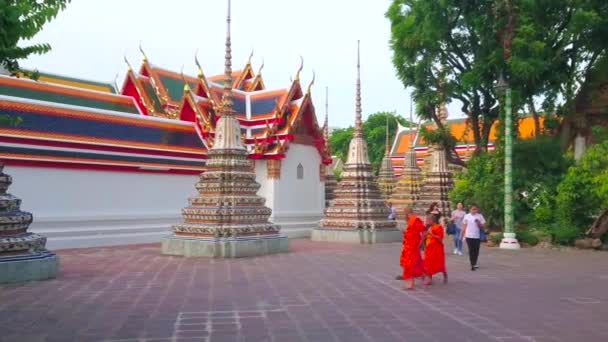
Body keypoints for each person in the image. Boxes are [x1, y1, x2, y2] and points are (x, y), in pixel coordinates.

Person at [396, 207, 426, 290]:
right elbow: (411, 232)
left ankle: (410, 283)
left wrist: (421, 242)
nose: (404, 215)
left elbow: (424, 231)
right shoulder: (410, 220)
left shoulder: (416, 219)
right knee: (416, 261)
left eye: (404, 213)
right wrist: (405, 232)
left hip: (414, 245)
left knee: (410, 263)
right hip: (408, 244)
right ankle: (424, 275)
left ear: (407, 212)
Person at [459, 203, 486, 271]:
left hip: (477, 236)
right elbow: (464, 226)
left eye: (476, 209)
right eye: (473, 209)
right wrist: (461, 235)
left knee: (476, 250)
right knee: (471, 250)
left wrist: (478, 223)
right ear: (470, 209)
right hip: (468, 236)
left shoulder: (480, 216)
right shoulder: (467, 216)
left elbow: (483, 226)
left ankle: (475, 262)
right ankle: (472, 264)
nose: (474, 210)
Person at [423, 215, 447, 285]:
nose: (426, 221)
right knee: (428, 263)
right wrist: (422, 245)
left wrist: (432, 234)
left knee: (439, 263)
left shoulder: (438, 227)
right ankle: (429, 278)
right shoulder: (427, 227)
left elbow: (440, 239)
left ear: (432, 220)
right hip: (428, 248)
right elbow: (424, 237)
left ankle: (445, 274)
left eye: (428, 220)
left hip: (437, 248)